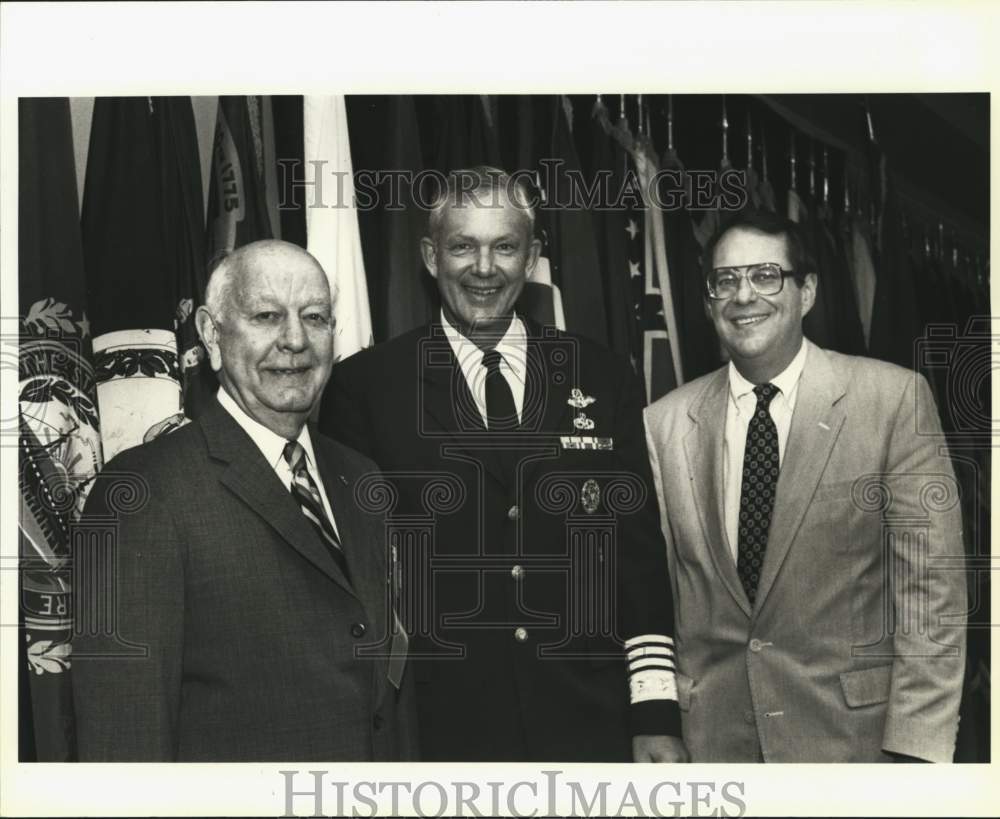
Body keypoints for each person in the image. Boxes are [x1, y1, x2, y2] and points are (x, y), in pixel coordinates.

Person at [319, 167, 684, 762]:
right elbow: (354, 579)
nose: (483, 268)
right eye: (462, 245)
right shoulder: (366, 387)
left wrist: (655, 710)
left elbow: (636, 556)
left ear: (532, 256)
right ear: (431, 257)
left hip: (587, 719)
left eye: (505, 247)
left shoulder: (601, 375)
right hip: (441, 724)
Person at [72, 239, 415, 761]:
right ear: (211, 334)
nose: (295, 340)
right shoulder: (140, 494)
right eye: (266, 316)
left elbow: (388, 689)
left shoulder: (359, 478)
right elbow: (125, 734)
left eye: (315, 317)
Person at [643, 210, 967, 762]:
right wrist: (657, 721)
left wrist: (916, 755)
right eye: (725, 280)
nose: (744, 295)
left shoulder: (891, 401)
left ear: (808, 291)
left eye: (766, 275)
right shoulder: (665, 422)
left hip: (856, 751)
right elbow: (657, 595)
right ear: (708, 301)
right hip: (715, 751)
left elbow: (931, 596)